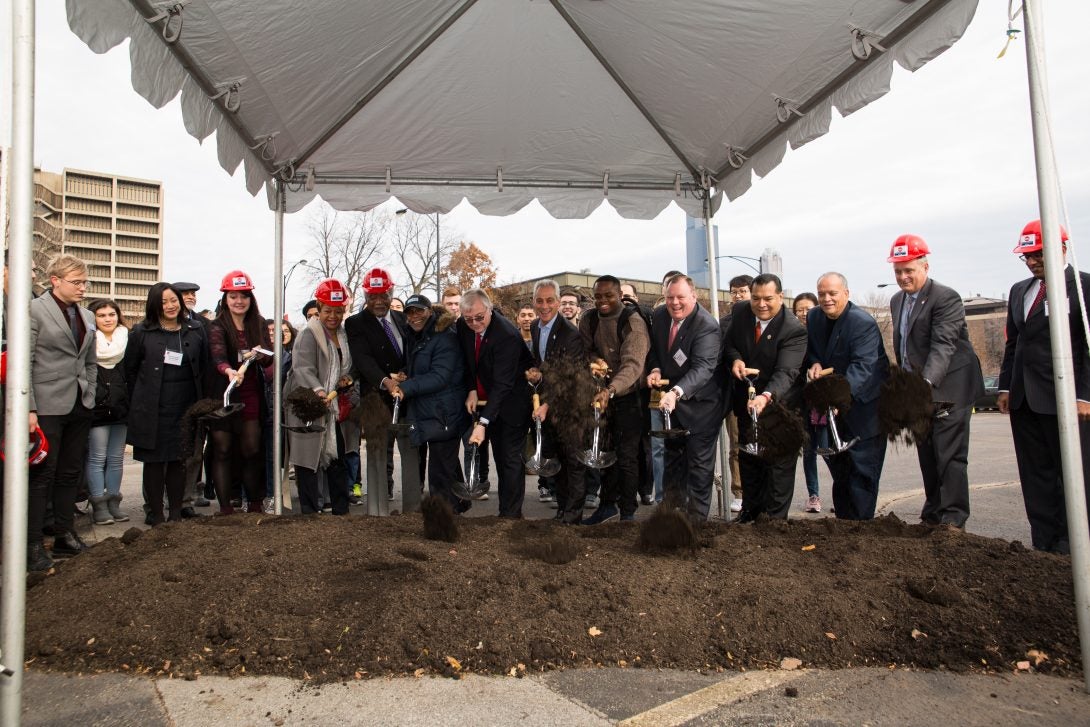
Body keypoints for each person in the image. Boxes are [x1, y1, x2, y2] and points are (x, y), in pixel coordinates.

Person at [998, 220, 1090, 554]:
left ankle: (1072, 543)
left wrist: (1084, 395)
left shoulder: (1082, 286)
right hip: (1024, 400)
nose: (1032, 261)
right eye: (1027, 256)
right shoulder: (1020, 291)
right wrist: (1005, 387)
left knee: (1072, 474)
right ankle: (1045, 541)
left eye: (1037, 254)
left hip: (1065, 400)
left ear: (1060, 248)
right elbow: (1014, 342)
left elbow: (1089, 346)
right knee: (1035, 474)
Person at [887, 234, 984, 528]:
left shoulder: (945, 297)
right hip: (920, 388)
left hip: (950, 385)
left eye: (909, 270)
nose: (903, 277)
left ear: (925, 267)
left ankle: (953, 519)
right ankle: (933, 512)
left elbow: (944, 345)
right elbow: (906, 348)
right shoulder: (896, 301)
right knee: (927, 451)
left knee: (949, 452)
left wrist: (924, 384)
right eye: (898, 271)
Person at [27, 254, 97, 571]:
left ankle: (64, 535)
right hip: (46, 404)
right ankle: (31, 544)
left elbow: (90, 362)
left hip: (79, 404)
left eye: (85, 282)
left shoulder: (87, 316)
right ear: (56, 281)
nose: (83, 287)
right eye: (77, 282)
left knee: (70, 473)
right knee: (43, 474)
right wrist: (29, 407)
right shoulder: (33, 309)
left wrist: (90, 393)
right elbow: (23, 360)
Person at [722, 274, 807, 521]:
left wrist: (766, 396)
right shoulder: (740, 312)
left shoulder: (794, 330)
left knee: (778, 466)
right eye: (756, 298)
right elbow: (729, 345)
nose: (761, 304)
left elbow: (786, 372)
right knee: (749, 460)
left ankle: (774, 522)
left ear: (780, 297)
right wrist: (736, 360)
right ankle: (749, 513)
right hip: (746, 405)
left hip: (780, 408)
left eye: (768, 299)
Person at [805, 272, 889, 520]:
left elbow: (863, 368)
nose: (827, 299)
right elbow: (814, 351)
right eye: (822, 294)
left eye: (833, 293)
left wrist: (840, 399)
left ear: (847, 294)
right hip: (836, 409)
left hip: (866, 408)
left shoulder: (862, 323)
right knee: (841, 471)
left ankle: (862, 527)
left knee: (862, 473)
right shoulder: (814, 317)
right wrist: (815, 363)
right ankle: (844, 524)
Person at [124, 283, 208, 524]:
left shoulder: (195, 329)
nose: (170, 306)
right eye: (163, 302)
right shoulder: (142, 332)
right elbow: (129, 370)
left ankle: (175, 514)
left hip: (185, 407)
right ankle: (157, 515)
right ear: (154, 305)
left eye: (173, 300)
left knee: (178, 462)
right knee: (154, 463)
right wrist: (139, 400)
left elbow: (203, 367)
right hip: (152, 408)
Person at [345, 267, 421, 515]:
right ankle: (377, 511)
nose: (378, 301)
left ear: (391, 292)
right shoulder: (355, 323)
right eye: (372, 296)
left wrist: (406, 375)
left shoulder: (401, 319)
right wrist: (385, 381)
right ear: (365, 295)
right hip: (375, 398)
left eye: (383, 295)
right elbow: (363, 359)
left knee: (410, 452)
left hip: (405, 397)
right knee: (377, 454)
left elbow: (412, 352)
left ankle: (412, 510)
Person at [646, 274, 722, 521]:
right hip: (672, 408)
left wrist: (676, 392)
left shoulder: (706, 325)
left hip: (701, 409)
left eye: (680, 297)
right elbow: (655, 351)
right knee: (672, 462)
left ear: (694, 296)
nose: (675, 303)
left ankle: (696, 524)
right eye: (670, 297)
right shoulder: (658, 316)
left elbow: (703, 369)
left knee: (699, 467)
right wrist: (655, 369)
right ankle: (670, 518)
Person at [580, 275, 651, 524]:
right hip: (602, 394)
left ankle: (628, 512)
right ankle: (607, 506)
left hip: (629, 396)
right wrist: (595, 361)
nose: (603, 301)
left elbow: (633, 365)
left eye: (608, 295)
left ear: (620, 295)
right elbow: (586, 350)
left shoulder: (632, 322)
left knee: (627, 455)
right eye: (598, 296)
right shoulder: (588, 319)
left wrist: (610, 390)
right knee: (606, 451)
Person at [285, 279, 359, 515]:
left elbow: (346, 366)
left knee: (337, 455)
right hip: (309, 404)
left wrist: (346, 379)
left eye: (339, 311)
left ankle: (340, 508)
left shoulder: (344, 336)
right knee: (308, 459)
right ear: (319, 307)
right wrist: (319, 392)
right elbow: (303, 368)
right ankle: (308, 510)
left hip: (335, 406)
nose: (333, 316)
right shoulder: (309, 334)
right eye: (328, 310)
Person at [458, 288, 533, 518]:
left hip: (512, 401)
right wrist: (471, 388)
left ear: (490, 310)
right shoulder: (464, 325)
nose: (474, 323)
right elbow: (468, 359)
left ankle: (510, 517)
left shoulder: (506, 335)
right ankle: (506, 513)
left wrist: (482, 423)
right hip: (486, 396)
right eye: (468, 319)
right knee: (498, 456)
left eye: (479, 317)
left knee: (509, 459)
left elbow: (503, 385)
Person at [392, 294, 470, 511]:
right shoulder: (418, 336)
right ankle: (458, 506)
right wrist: (405, 373)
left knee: (439, 472)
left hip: (444, 412)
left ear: (430, 311)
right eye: (410, 312)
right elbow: (421, 367)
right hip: (432, 410)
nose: (414, 316)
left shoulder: (444, 336)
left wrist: (405, 388)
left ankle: (443, 520)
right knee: (446, 465)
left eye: (419, 311)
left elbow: (440, 376)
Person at [207, 270, 273, 514]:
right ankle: (225, 507)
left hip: (250, 394)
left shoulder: (259, 323)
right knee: (223, 449)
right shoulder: (216, 325)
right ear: (225, 298)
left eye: (243, 296)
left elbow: (268, 359)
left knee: (252, 449)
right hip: (223, 393)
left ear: (251, 298)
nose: (239, 301)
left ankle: (254, 504)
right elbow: (217, 357)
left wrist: (261, 354)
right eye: (233, 296)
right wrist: (229, 371)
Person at [527, 279, 587, 524]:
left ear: (558, 302)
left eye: (549, 300)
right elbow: (543, 363)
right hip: (547, 405)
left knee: (573, 462)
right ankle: (562, 509)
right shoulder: (534, 327)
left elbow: (568, 376)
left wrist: (547, 404)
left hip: (570, 406)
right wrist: (534, 371)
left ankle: (573, 515)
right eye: (539, 300)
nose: (544, 306)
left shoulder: (570, 334)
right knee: (559, 460)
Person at [85, 299, 131, 525]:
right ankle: (99, 504)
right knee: (97, 457)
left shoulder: (127, 339)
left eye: (111, 314)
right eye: (101, 315)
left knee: (115, 458)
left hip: (121, 407)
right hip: (97, 409)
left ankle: (114, 502)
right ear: (93, 318)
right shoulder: (88, 340)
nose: (107, 319)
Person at [174, 280, 211, 515]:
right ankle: (163, 499)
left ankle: (186, 500)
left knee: (195, 454)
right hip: (169, 398)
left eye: (192, 294)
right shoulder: (160, 322)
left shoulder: (202, 324)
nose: (190, 297)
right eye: (184, 294)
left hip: (196, 398)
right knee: (170, 454)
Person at [620, 282, 656, 507]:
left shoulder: (644, 318)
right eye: (620, 295)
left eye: (627, 295)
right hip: (622, 391)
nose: (624, 299)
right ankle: (627, 492)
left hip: (643, 390)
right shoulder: (613, 320)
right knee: (626, 446)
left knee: (646, 445)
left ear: (635, 297)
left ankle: (646, 489)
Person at [720, 274, 753, 513]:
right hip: (732, 392)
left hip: (757, 391)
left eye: (743, 291)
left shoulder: (760, 319)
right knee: (736, 445)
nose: (738, 295)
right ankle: (739, 491)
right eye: (734, 291)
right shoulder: (725, 322)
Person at [792, 292, 824, 513]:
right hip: (800, 401)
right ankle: (814, 495)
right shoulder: (793, 335)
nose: (804, 313)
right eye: (800, 310)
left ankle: (842, 491)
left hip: (822, 401)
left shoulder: (822, 334)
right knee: (809, 449)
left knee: (827, 447)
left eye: (809, 309)